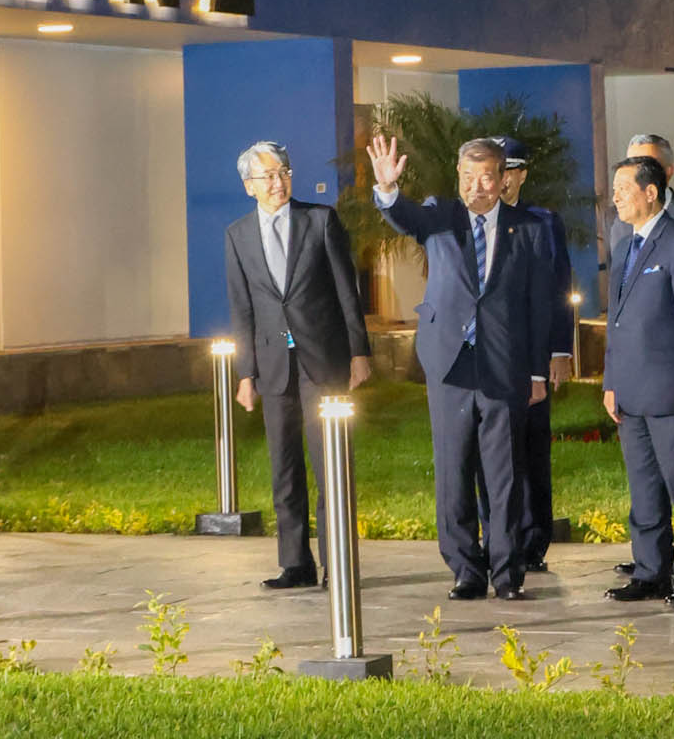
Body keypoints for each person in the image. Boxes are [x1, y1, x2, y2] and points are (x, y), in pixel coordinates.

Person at [369, 128, 553, 602]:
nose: (477, 187)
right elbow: (403, 216)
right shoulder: (441, 217)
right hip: (450, 361)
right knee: (453, 468)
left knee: (504, 473)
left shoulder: (527, 229)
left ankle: (507, 572)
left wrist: (537, 372)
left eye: (487, 177)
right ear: (458, 176)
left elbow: (539, 305)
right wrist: (388, 188)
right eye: (468, 177)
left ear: (503, 179)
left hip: (504, 364)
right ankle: (465, 569)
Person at [222, 140, 372, 591]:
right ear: (249, 186)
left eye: (283, 172)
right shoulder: (238, 235)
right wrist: (245, 374)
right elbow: (241, 309)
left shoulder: (320, 221)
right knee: (283, 466)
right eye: (267, 176)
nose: (278, 182)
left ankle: (336, 561)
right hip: (272, 365)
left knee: (329, 462)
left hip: (321, 359)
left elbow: (348, 291)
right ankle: (295, 563)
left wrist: (359, 352)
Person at [601, 154, 674, 607]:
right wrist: (611, 382)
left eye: (624, 189)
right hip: (631, 391)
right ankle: (650, 570)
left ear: (651, 193)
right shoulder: (625, 245)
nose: (615, 197)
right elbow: (616, 321)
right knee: (644, 488)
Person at [491, 137, 573, 573]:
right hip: (488, 356)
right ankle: (498, 533)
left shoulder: (542, 221)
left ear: (521, 175)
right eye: (496, 170)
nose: (502, 180)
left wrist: (559, 351)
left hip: (532, 353)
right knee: (492, 450)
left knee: (532, 448)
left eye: (510, 171)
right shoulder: (474, 219)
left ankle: (533, 536)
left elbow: (559, 288)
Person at [608, 133, 674, 254]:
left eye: (646, 165)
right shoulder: (618, 222)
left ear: (668, 171)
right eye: (630, 163)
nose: (636, 172)